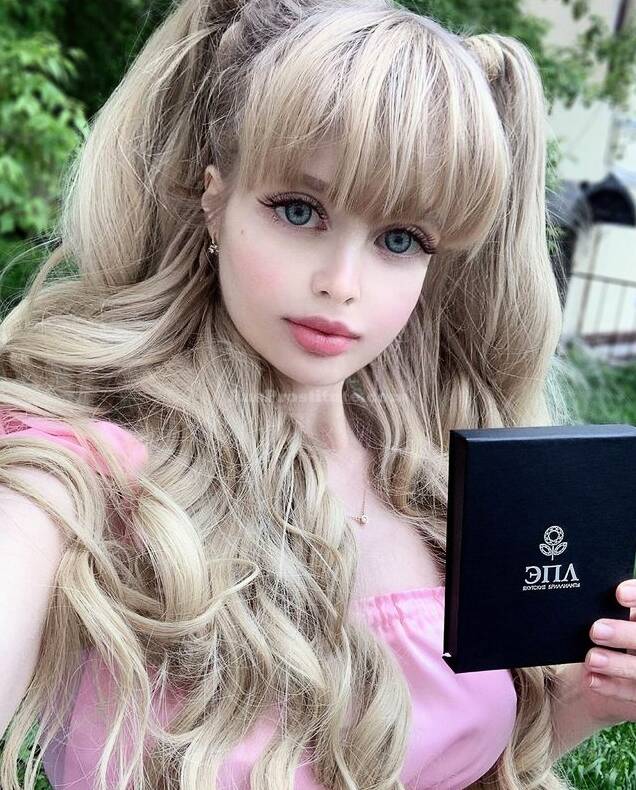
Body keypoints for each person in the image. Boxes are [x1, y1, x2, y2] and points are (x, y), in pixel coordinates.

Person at [0, 0, 594, 788]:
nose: (341, 283)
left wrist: (586, 703)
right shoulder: (82, 462)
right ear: (214, 198)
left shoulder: (447, 483)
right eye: (299, 210)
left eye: (400, 239)